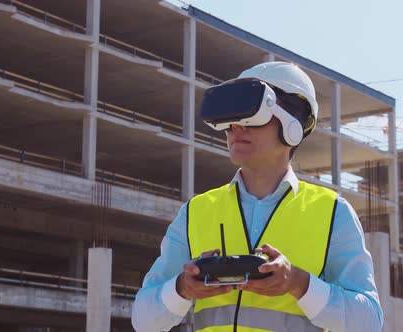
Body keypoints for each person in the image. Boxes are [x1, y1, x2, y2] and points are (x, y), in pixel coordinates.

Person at [132, 62, 383, 332]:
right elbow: (144, 321)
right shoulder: (196, 211)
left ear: (292, 124)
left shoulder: (333, 212)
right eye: (231, 118)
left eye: (252, 115)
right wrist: (182, 288)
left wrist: (299, 284)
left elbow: (368, 323)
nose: (236, 128)